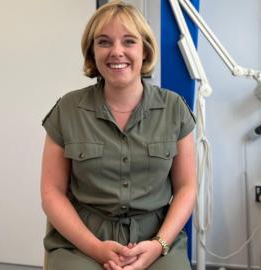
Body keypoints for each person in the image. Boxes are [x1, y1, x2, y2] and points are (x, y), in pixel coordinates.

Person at [40, 1, 196, 269]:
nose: (117, 52)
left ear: (145, 50)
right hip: (82, 241)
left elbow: (186, 188)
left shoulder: (175, 108)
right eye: (104, 42)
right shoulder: (67, 109)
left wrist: (159, 245)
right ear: (92, 52)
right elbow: (51, 192)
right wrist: (96, 249)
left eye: (129, 41)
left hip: (156, 239)